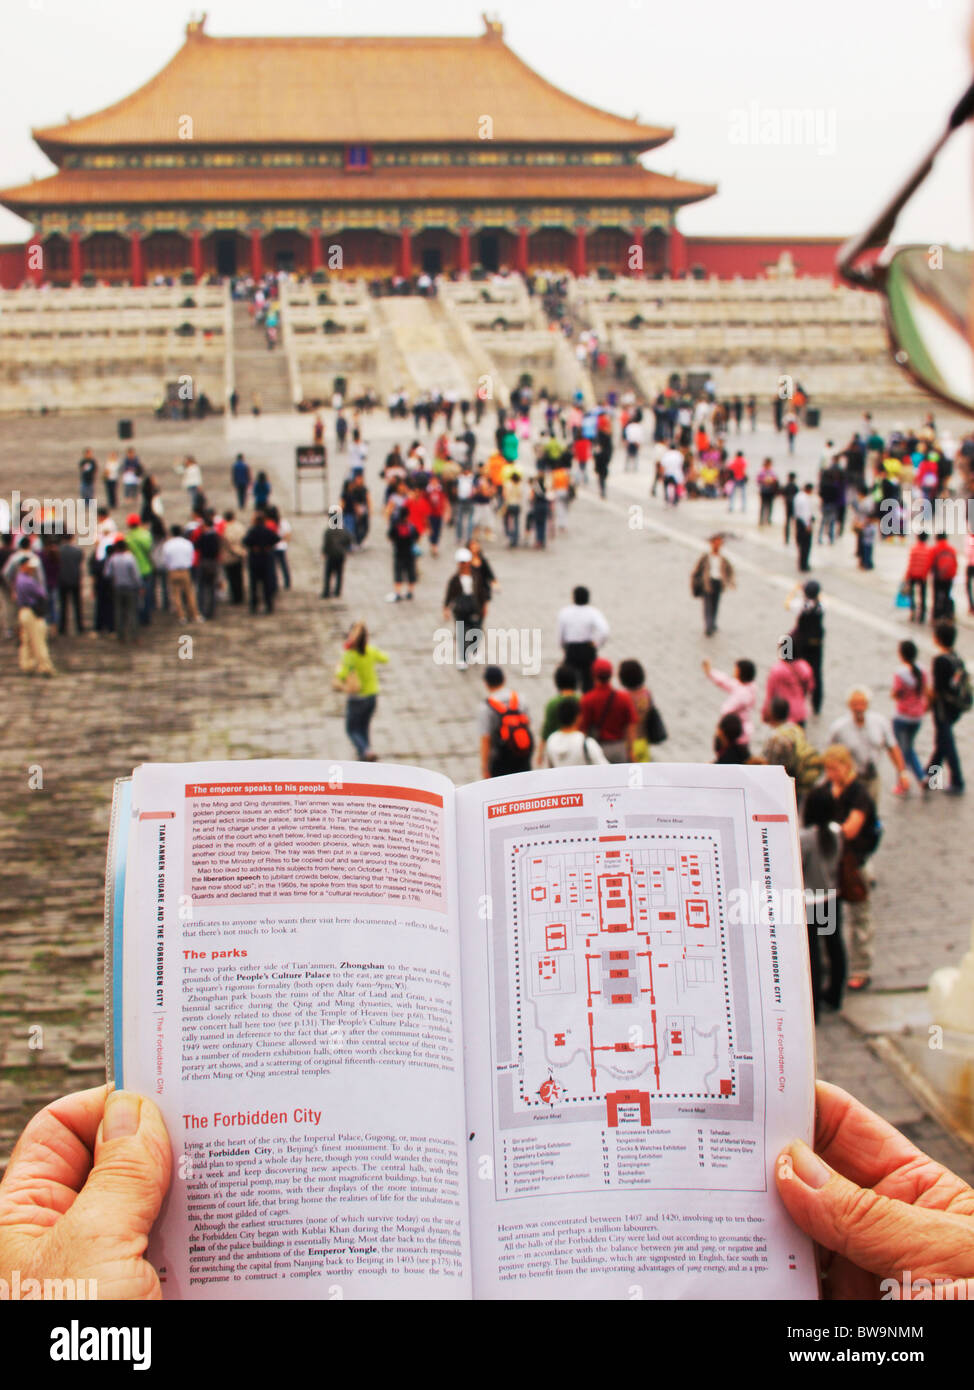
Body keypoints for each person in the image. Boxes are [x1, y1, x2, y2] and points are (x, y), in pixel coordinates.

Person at [823, 743, 880, 992]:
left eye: (833, 769)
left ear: (846, 767)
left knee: (860, 918)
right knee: (828, 920)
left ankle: (861, 968)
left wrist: (826, 831)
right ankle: (829, 963)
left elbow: (852, 828)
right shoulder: (827, 789)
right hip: (832, 863)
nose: (830, 774)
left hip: (855, 863)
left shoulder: (859, 793)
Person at [800, 784, 846, 1018]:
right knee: (835, 946)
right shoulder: (837, 832)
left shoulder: (806, 838)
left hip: (810, 901)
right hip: (832, 898)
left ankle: (814, 1005)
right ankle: (836, 994)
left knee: (812, 954)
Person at [829, 687, 910, 806]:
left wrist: (902, 773)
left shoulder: (880, 723)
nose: (859, 708)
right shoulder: (839, 728)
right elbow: (830, 756)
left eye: (862, 704)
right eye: (855, 704)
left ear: (868, 704)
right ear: (849, 705)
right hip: (850, 780)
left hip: (872, 778)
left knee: (871, 809)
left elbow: (892, 747)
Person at [333, 621, 387, 761]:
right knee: (364, 725)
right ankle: (366, 751)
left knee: (351, 729)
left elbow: (342, 674)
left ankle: (365, 751)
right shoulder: (371, 650)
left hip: (356, 698)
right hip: (372, 696)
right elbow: (385, 658)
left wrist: (339, 668)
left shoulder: (349, 655)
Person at [926, 620, 967, 795]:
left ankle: (957, 780)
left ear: (937, 639)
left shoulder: (940, 661)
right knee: (942, 742)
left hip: (942, 708)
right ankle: (930, 778)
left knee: (946, 744)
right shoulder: (957, 658)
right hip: (954, 707)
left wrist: (927, 704)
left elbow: (936, 688)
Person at [578, 658, 637, 763]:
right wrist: (631, 750)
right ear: (611, 674)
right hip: (619, 747)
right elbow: (631, 726)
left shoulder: (587, 699)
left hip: (597, 748)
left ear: (594, 675)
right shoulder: (624, 698)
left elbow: (583, 728)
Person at [480, 665, 534, 778]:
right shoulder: (519, 698)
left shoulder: (486, 707)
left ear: (486, 684)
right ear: (504, 679)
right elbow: (528, 723)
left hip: (500, 759)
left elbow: (486, 739)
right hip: (521, 753)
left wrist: (484, 767)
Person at [890, 639, 929, 792]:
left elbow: (896, 693)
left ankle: (903, 782)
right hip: (917, 716)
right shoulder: (922, 670)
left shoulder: (900, 674)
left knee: (901, 752)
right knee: (909, 748)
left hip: (902, 716)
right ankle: (921, 777)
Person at [556, 585, 610, 693]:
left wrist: (564, 648)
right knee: (589, 685)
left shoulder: (564, 612)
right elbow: (604, 631)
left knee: (568, 684)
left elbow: (560, 636)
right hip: (588, 649)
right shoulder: (593, 612)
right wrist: (596, 645)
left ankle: (571, 705)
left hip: (571, 650)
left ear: (573, 598)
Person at [443, 547, 488, 671]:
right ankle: (462, 658)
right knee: (461, 633)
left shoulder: (476, 576)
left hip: (475, 606)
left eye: (465, 562)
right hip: (460, 608)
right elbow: (449, 594)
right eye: (461, 562)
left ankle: (474, 651)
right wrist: (446, 608)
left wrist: (484, 606)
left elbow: (482, 593)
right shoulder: (455, 579)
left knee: (476, 631)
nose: (463, 565)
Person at [788, 579, 825, 715]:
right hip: (816, 643)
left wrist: (794, 591)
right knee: (817, 673)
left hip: (802, 642)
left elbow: (787, 604)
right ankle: (817, 703)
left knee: (800, 670)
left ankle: (800, 697)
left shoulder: (802, 605)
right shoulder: (822, 606)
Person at [14, 557, 55, 676]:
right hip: (32, 612)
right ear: (23, 566)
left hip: (23, 611)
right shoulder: (28, 581)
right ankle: (45, 666)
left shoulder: (19, 579)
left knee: (26, 641)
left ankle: (27, 665)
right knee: (38, 640)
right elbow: (41, 594)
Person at [702, 657, 757, 746]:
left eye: (736, 669)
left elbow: (726, 710)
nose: (734, 671)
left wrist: (719, 728)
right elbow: (726, 681)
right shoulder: (748, 686)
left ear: (741, 672)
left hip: (738, 734)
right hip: (742, 731)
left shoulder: (743, 694)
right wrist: (710, 672)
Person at [543, 696, 608, 767]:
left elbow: (550, 767)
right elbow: (604, 767)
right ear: (578, 717)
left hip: (561, 778)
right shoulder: (586, 743)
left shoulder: (551, 740)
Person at [691, 534, 734, 637]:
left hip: (718, 583)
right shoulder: (706, 557)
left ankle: (713, 623)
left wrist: (730, 582)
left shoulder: (723, 559)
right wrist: (696, 582)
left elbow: (729, 571)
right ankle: (708, 625)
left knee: (715, 603)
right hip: (707, 583)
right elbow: (697, 571)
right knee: (707, 604)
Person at [537, 665, 580, 767]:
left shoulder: (552, 704)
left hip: (556, 748)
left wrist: (540, 753)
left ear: (557, 682)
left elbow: (546, 730)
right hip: (577, 747)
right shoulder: (581, 700)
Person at [762, 645, 815, 728]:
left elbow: (770, 694)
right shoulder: (805, 666)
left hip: (781, 712)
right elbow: (810, 687)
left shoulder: (777, 669)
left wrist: (765, 712)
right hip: (801, 711)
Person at [160, 524, 201, 624]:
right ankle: (195, 615)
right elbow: (191, 557)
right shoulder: (187, 543)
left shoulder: (168, 545)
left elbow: (165, 559)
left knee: (176, 594)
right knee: (189, 593)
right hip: (185, 570)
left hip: (173, 571)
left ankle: (181, 616)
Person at [104, 538, 141, 643]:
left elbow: (107, 573)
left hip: (117, 588)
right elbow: (136, 575)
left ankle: (121, 636)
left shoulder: (113, 559)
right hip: (130, 588)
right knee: (132, 612)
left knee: (118, 612)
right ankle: (135, 636)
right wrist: (139, 586)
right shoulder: (130, 558)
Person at [243, 510, 278, 614]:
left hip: (255, 559)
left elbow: (245, 541)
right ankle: (269, 606)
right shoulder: (267, 531)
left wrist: (254, 547)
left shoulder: (252, 531)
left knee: (254, 586)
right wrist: (268, 546)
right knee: (266, 584)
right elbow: (276, 539)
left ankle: (254, 606)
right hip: (266, 559)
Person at [57, 534, 84, 636]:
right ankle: (79, 627)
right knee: (77, 604)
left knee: (63, 605)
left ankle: (62, 628)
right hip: (75, 579)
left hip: (62, 579)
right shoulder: (77, 551)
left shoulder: (59, 551)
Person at [928, 531, 958, 619]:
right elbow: (955, 564)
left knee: (936, 596)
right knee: (947, 594)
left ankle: (936, 615)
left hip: (938, 577)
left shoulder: (934, 549)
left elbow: (930, 563)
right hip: (949, 577)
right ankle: (947, 614)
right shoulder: (951, 549)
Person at [904, 531, 932, 623]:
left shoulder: (914, 549)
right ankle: (922, 615)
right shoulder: (928, 550)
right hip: (922, 576)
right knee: (922, 595)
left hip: (913, 575)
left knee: (911, 594)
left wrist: (907, 576)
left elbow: (911, 564)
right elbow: (928, 565)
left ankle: (913, 611)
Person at [321, 518, 352, 598]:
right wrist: (345, 548)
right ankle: (337, 591)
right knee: (339, 574)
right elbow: (349, 539)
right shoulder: (344, 530)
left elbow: (326, 543)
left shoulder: (329, 531)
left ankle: (326, 591)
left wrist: (324, 552)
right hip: (340, 555)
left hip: (331, 555)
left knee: (328, 574)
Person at [793, 483, 816, 572]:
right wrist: (808, 525)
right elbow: (805, 514)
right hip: (804, 523)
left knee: (801, 544)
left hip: (798, 522)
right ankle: (804, 564)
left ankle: (801, 563)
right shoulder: (805, 499)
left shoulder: (798, 496)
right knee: (806, 545)